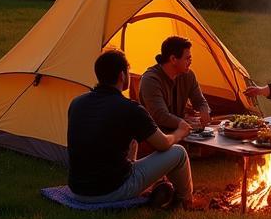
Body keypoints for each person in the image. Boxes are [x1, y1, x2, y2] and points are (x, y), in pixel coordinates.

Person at [67, 48, 204, 210]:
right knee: (178, 153)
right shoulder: (129, 108)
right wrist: (180, 131)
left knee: (132, 141)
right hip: (110, 190)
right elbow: (163, 144)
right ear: (122, 76)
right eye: (128, 71)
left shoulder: (77, 103)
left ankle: (160, 191)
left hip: (77, 190)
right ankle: (184, 201)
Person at [139, 36, 212, 132]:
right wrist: (185, 124)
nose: (190, 61)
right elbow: (160, 115)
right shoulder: (150, 80)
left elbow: (200, 101)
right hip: (157, 136)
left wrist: (204, 111)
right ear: (173, 59)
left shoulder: (188, 75)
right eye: (187, 58)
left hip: (181, 132)